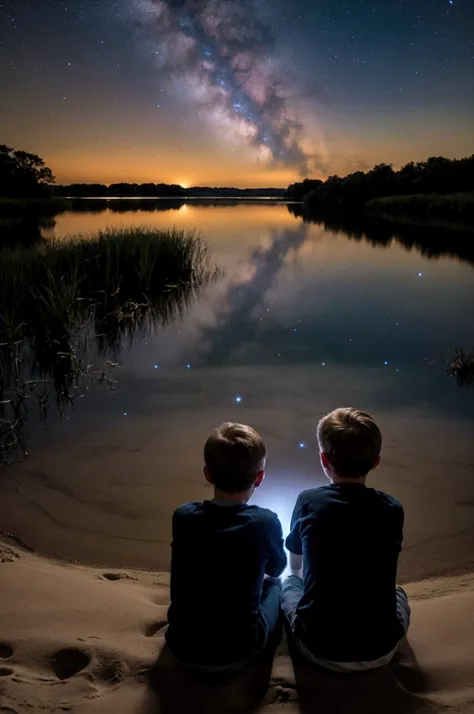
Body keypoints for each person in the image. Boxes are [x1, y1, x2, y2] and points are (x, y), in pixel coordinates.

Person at [282, 407, 410, 672]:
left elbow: (296, 562)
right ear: (376, 461)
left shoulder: (309, 501)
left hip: (317, 648)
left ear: (323, 459)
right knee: (398, 593)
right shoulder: (391, 508)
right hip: (381, 648)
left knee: (289, 585)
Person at [166, 422, 287, 672]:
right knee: (275, 585)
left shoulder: (183, 516)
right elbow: (276, 569)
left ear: (207, 474)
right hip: (240, 650)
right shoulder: (265, 522)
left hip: (181, 646)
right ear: (260, 477)